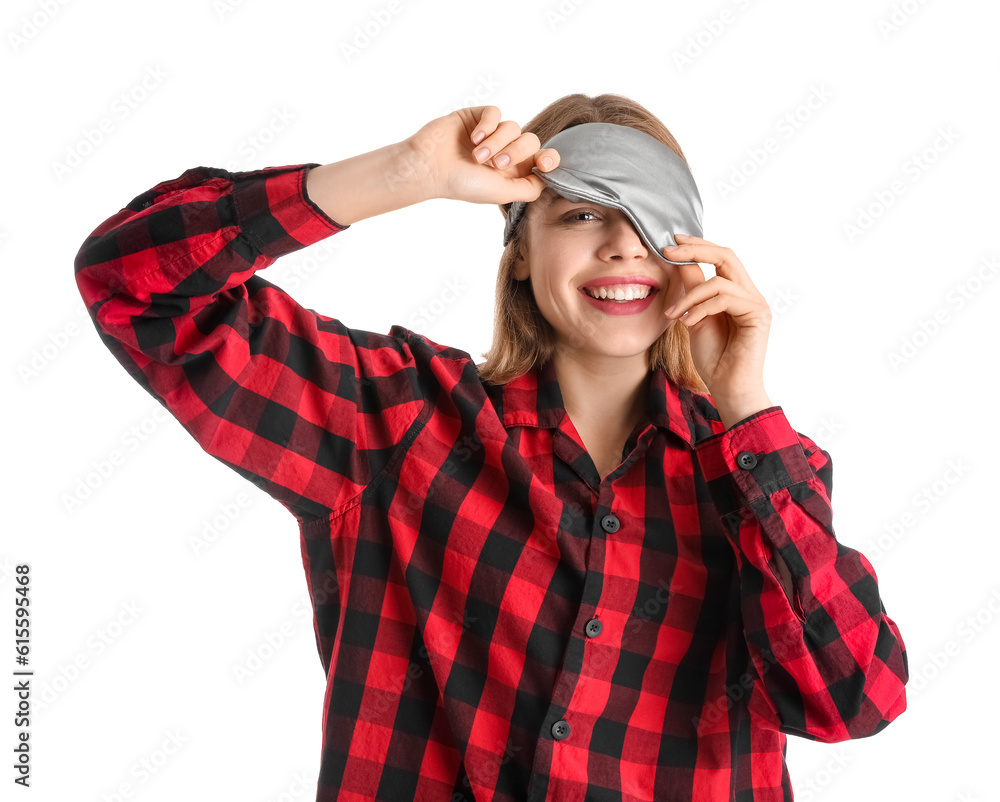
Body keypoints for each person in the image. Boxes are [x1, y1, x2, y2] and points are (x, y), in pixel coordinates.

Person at [74, 94, 908, 801]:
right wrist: (403, 174)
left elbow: (852, 702)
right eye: (581, 212)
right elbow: (134, 284)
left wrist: (743, 405)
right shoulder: (396, 422)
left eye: (650, 220)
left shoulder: (756, 474)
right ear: (520, 257)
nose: (621, 244)